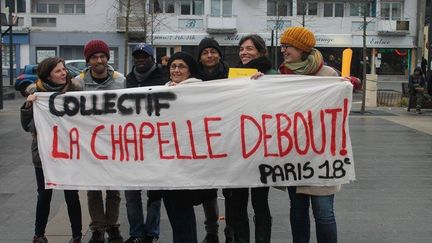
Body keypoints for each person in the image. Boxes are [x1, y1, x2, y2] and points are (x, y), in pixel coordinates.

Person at [279, 26, 339, 243]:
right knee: (297, 211)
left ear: (302, 48)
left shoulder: (329, 75)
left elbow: (338, 113)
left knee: (323, 213)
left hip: (321, 156)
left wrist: (349, 87)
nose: (283, 50)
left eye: (288, 46)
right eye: (283, 46)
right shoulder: (282, 75)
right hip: (295, 155)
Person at [21, 57, 83, 243]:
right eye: (58, 71)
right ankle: (39, 235)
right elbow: (26, 126)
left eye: (64, 69)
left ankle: (77, 236)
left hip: (69, 152)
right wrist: (28, 106)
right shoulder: (36, 93)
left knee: (71, 194)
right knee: (44, 194)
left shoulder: (75, 90)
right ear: (48, 75)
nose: (64, 73)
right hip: (43, 153)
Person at [75, 39, 125, 243]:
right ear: (88, 61)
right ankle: (97, 228)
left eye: (102, 56)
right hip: (89, 144)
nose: (99, 60)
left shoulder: (120, 80)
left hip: (114, 141)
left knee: (114, 188)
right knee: (93, 189)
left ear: (108, 57)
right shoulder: (77, 83)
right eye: (94, 57)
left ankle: (112, 225)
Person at [230, 34, 276, 243]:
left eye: (249, 48)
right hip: (237, 149)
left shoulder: (271, 73)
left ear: (260, 51)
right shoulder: (235, 75)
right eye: (241, 49)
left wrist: (264, 83)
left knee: (260, 203)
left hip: (260, 150)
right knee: (237, 204)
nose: (244, 52)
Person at [124, 43, 168, 243]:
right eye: (137, 56)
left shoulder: (164, 78)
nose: (141, 59)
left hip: (156, 145)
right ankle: (136, 233)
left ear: (153, 58)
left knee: (155, 193)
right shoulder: (129, 79)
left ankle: (151, 232)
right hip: (132, 144)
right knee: (131, 192)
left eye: (145, 56)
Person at [163, 51, 202, 243]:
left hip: (186, 163)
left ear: (190, 71)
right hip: (165, 163)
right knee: (172, 211)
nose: (176, 70)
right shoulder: (161, 90)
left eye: (181, 66)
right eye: (173, 66)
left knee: (183, 212)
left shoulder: (199, 90)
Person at [196, 37, 231, 243]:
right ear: (199, 57)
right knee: (208, 189)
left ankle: (231, 231)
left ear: (219, 54)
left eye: (213, 51)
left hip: (229, 137)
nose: (210, 55)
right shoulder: (192, 77)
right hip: (203, 140)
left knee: (230, 189)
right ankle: (212, 231)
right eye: (205, 52)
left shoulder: (233, 75)